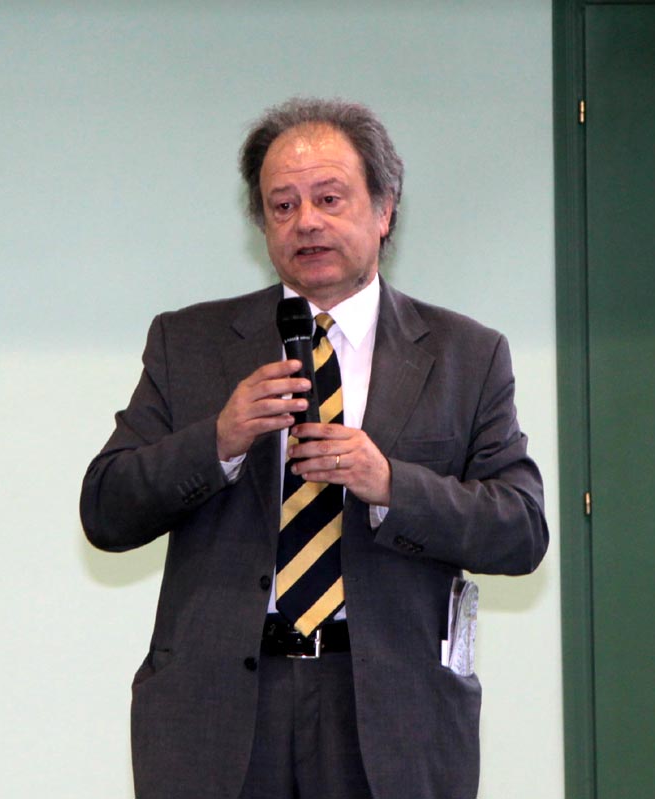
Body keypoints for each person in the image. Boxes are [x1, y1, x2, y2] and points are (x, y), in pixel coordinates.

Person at [80, 97, 548, 799]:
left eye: (329, 198)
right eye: (283, 205)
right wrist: (218, 440)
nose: (306, 221)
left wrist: (391, 484)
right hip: (220, 713)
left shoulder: (465, 355)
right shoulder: (190, 343)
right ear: (262, 224)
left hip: (390, 712)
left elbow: (521, 529)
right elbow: (106, 510)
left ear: (384, 209)